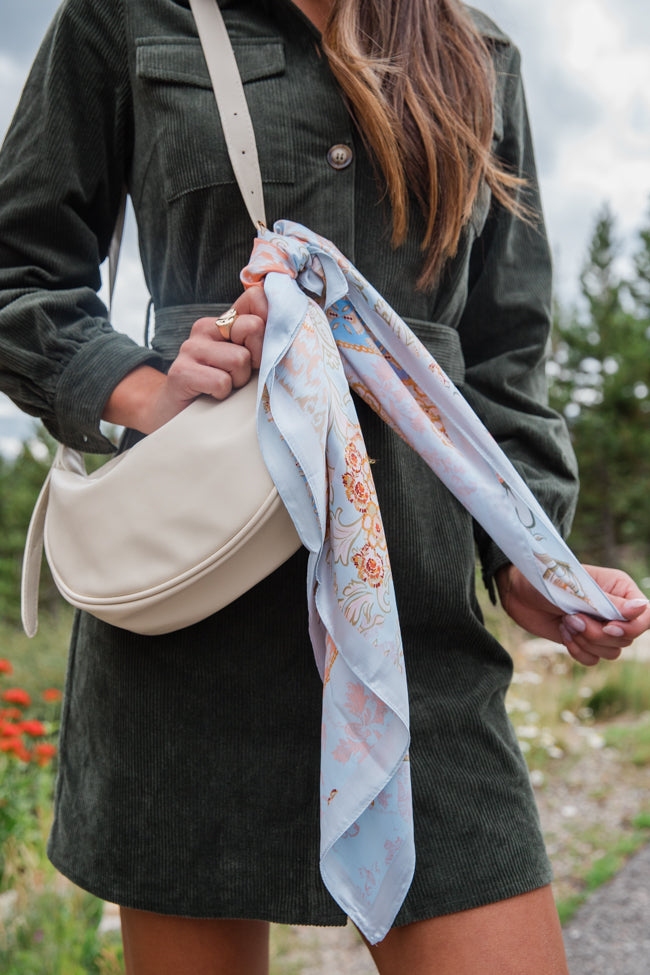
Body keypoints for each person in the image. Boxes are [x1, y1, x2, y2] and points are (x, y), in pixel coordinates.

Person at [0, 1, 648, 972]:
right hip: (191, 624)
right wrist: (142, 389)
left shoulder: (480, 51)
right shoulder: (126, 17)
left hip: (417, 625)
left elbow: (502, 359)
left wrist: (530, 567)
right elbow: (19, 268)